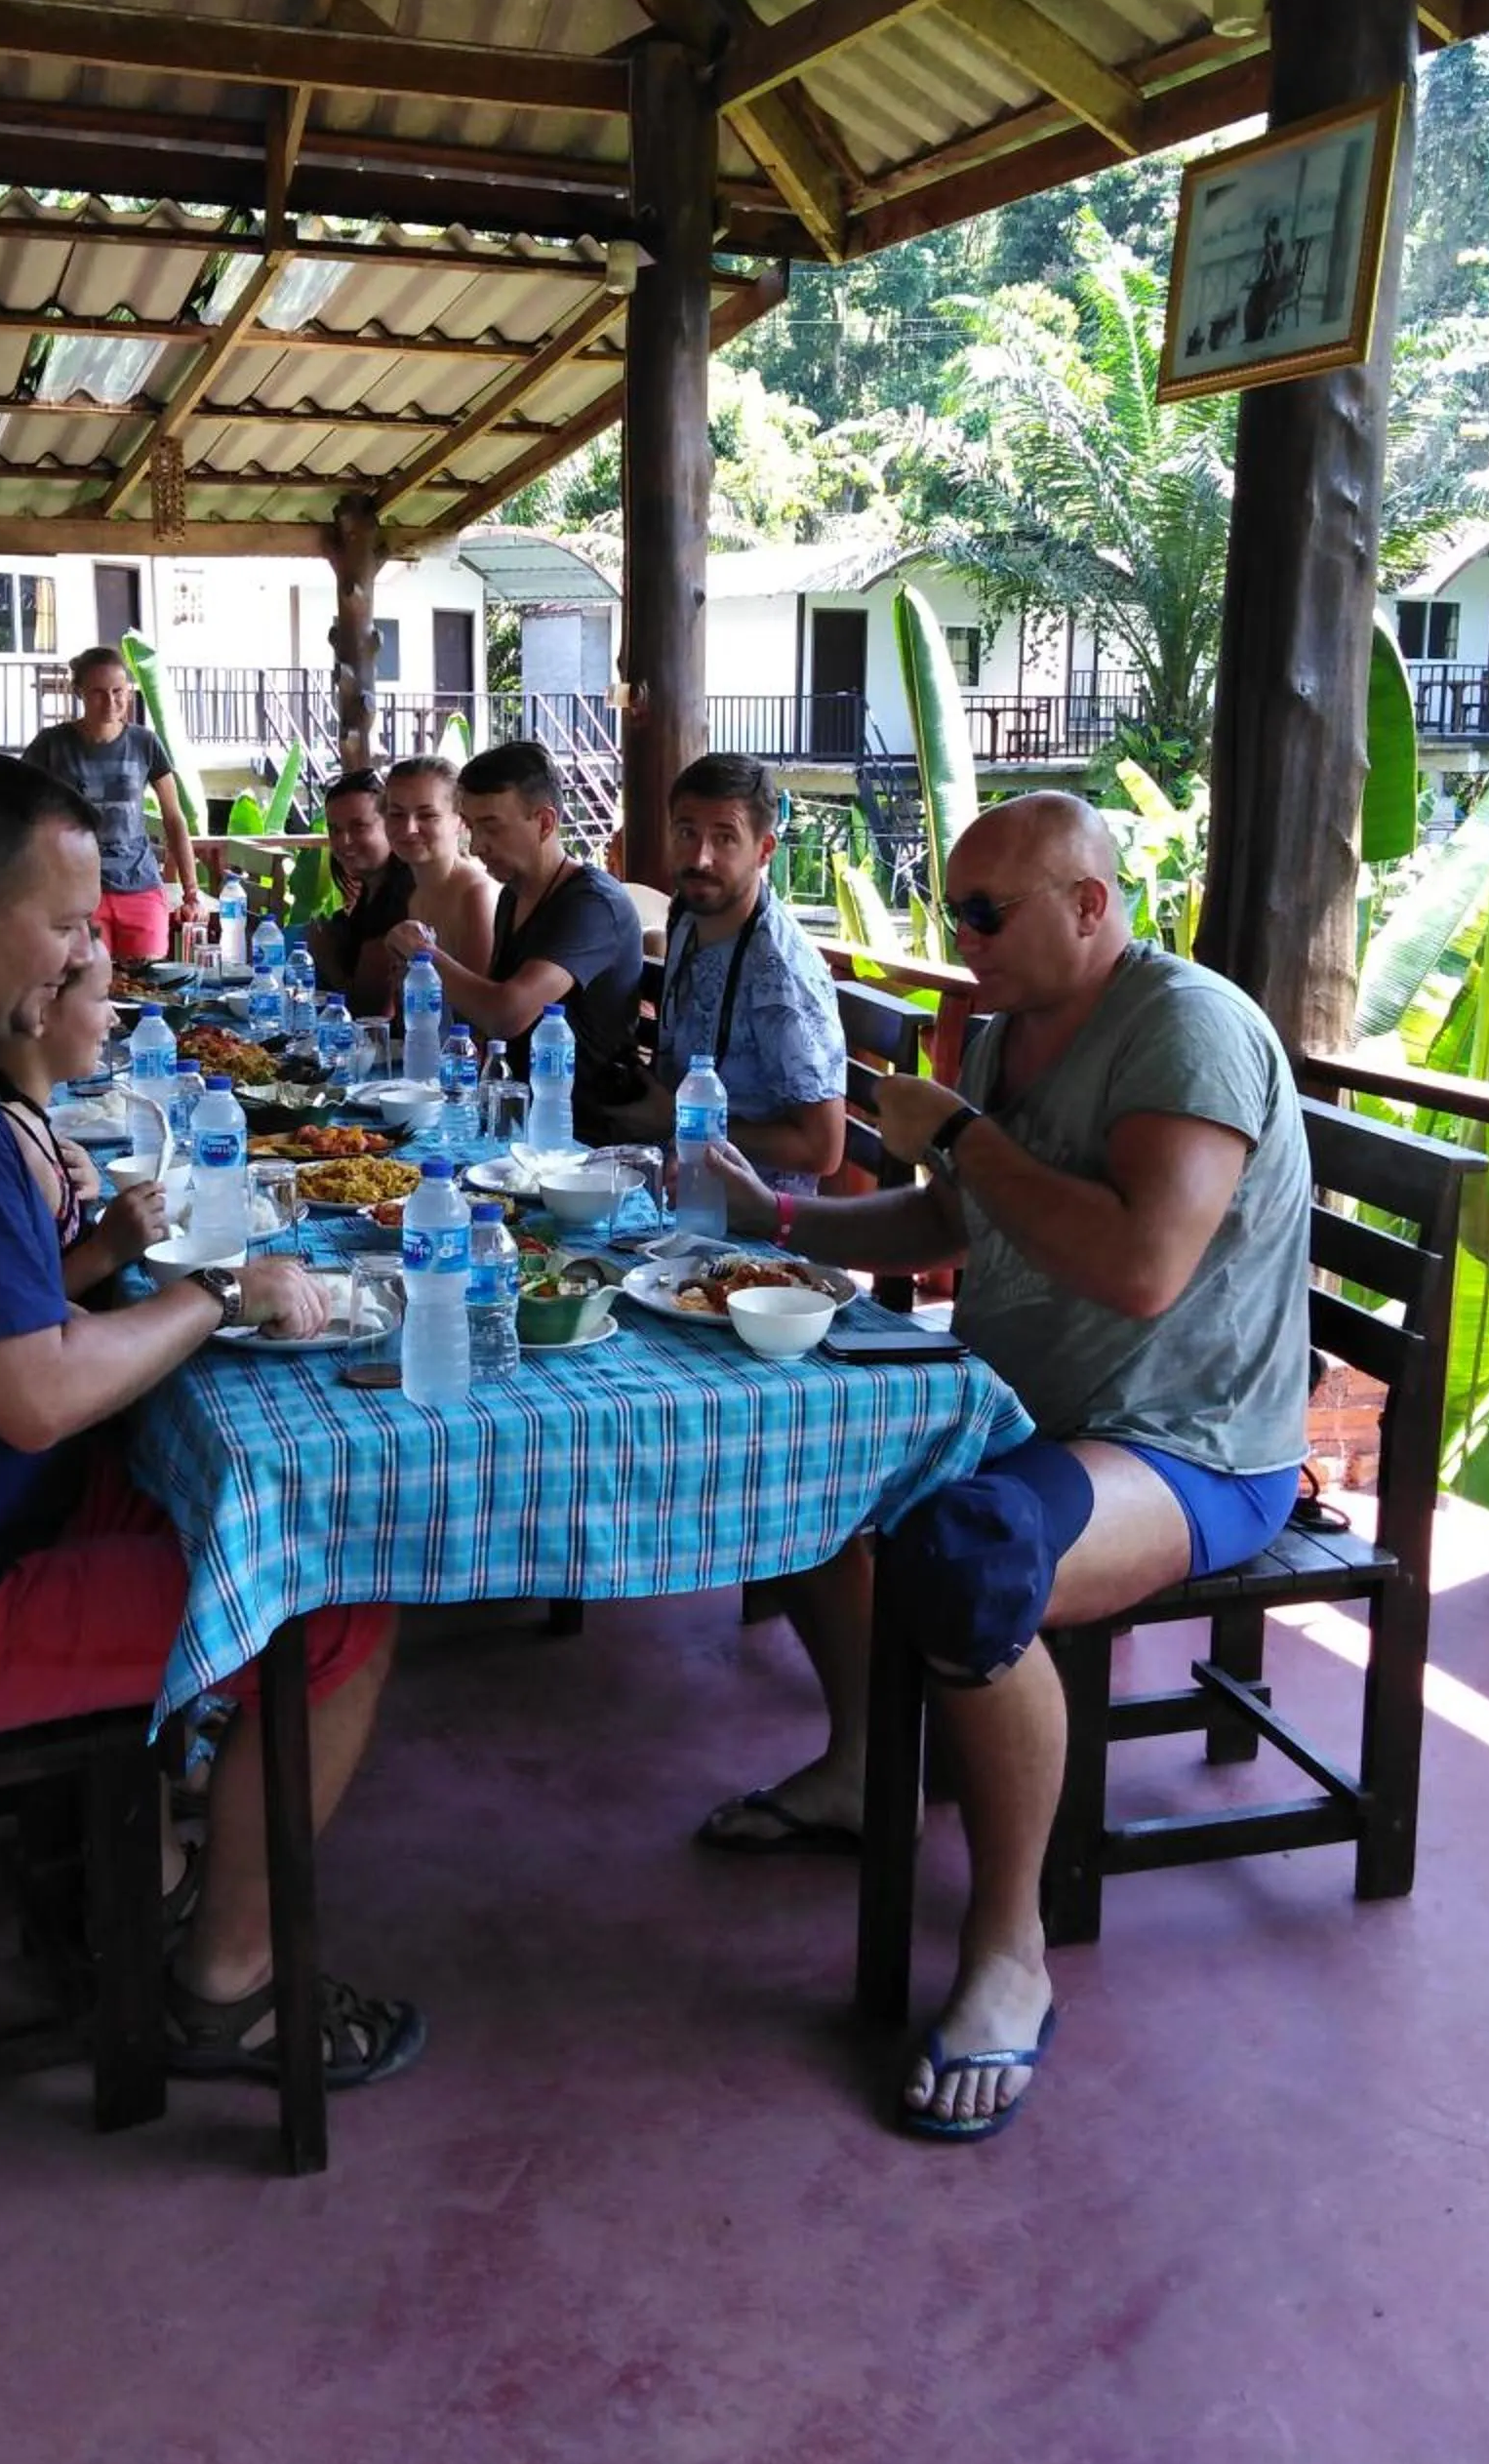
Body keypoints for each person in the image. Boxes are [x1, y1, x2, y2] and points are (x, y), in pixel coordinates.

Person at [0, 753, 422, 2090]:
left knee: (198, 1491)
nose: (71, 963)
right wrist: (218, 1295)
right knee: (333, 1593)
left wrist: (114, 1269)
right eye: (59, 929)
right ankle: (228, 1987)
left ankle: (142, 1862)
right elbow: (36, 1394)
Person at [697, 791, 1309, 2141]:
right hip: (1016, 1410)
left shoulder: (1181, 1028)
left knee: (969, 1563)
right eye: (953, 911)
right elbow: (949, 1219)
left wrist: (962, 1136)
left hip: (1186, 1444)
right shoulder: (1015, 1031)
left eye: (987, 913)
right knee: (785, 1450)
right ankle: (868, 1768)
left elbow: (1142, 1270)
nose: (961, 936)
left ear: (1090, 904)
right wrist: (780, 1215)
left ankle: (1008, 1951)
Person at [592, 751, 847, 1188]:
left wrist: (676, 1120)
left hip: (753, 1228)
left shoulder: (779, 975)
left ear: (764, 849)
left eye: (725, 838)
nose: (701, 858)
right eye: (687, 832)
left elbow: (822, 1149)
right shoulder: (689, 914)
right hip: (672, 1186)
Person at [386, 740, 642, 1136]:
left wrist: (424, 955)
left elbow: (506, 1015)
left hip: (578, 1134)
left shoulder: (592, 903)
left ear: (544, 822)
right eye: (472, 827)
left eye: (492, 827)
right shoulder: (513, 894)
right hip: (511, 1117)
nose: (478, 845)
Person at [0, 938, 171, 1300]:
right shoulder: (13, 1140)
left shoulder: (25, 1119)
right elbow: (11, 1311)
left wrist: (80, 1195)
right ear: (42, 1010)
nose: (114, 1017)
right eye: (102, 997)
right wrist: (105, 1251)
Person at [19, 645, 206, 963]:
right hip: (76, 891)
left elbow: (173, 817)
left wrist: (191, 890)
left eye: (118, 691)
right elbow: (20, 811)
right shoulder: (51, 744)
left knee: (146, 987)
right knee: (86, 986)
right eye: (98, 693)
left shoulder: (145, 743)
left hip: (140, 883)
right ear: (79, 693)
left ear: (128, 692)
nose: (110, 701)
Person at [305, 768, 414, 1015]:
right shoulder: (372, 890)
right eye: (335, 829)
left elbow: (373, 1012)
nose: (343, 841)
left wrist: (327, 957)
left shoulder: (399, 902)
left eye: (359, 827)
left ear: (392, 827)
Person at [381, 755, 497, 980]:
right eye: (396, 814)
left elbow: (475, 1006)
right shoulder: (413, 891)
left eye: (427, 815)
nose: (409, 829)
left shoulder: (477, 895)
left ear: (462, 820)